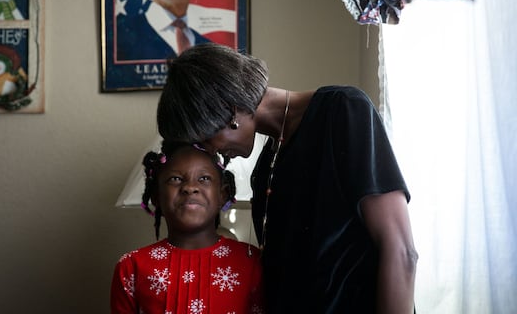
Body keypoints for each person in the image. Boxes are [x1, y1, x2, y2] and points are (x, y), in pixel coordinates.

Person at [156, 43, 419, 313]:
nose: (211, 152)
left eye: (205, 138)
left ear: (230, 111)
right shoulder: (265, 168)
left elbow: (401, 251)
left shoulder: (343, 111)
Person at [110, 141, 265, 314]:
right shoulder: (131, 266)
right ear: (156, 197)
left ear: (223, 194)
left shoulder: (253, 262)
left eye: (204, 178)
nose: (190, 187)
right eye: (175, 179)